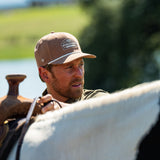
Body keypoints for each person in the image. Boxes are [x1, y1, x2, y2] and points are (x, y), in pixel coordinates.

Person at [34, 32, 108, 113]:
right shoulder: (35, 115)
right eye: (69, 67)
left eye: (81, 64)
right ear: (45, 75)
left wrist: (61, 108)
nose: (79, 74)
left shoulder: (99, 99)